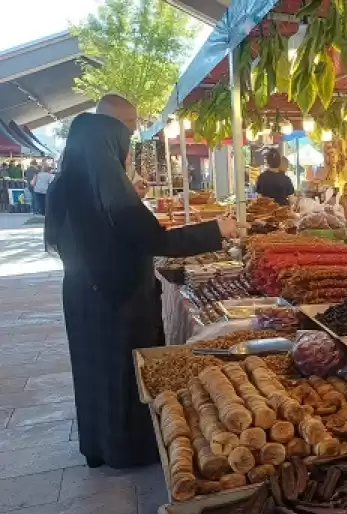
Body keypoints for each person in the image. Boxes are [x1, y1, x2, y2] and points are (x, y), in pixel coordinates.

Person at [45, 93, 240, 470]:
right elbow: (155, 239)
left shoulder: (68, 180)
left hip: (83, 293)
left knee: (92, 373)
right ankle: (128, 451)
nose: (127, 150)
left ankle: (97, 449)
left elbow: (95, 228)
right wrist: (217, 229)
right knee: (123, 372)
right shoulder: (107, 185)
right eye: (124, 141)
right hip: (118, 298)